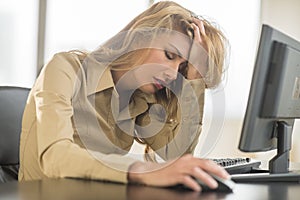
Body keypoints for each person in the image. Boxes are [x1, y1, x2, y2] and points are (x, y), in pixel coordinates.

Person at [18, 1, 230, 192]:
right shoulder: (65, 69)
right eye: (169, 55)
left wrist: (193, 78)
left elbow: (177, 159)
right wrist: (140, 170)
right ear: (140, 37)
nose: (173, 74)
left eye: (182, 68)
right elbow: (55, 156)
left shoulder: (142, 99)